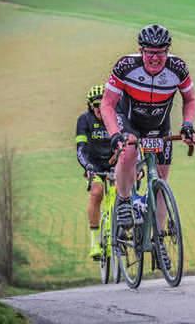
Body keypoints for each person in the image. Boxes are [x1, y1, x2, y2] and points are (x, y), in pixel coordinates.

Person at [100, 24, 195, 244]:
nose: (155, 57)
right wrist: (115, 134)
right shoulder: (126, 66)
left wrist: (188, 125)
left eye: (161, 52)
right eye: (150, 52)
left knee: (162, 179)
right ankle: (124, 202)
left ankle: (158, 238)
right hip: (129, 121)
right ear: (141, 50)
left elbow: (189, 99)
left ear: (168, 50)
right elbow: (107, 104)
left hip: (160, 126)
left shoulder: (178, 68)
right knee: (129, 150)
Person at [76, 84, 113, 259]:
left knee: (122, 193)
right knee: (97, 192)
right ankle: (95, 242)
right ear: (90, 106)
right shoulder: (84, 120)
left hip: (114, 164)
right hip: (95, 166)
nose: (99, 108)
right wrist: (88, 167)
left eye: (102, 104)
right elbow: (81, 148)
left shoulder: (114, 118)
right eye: (96, 105)